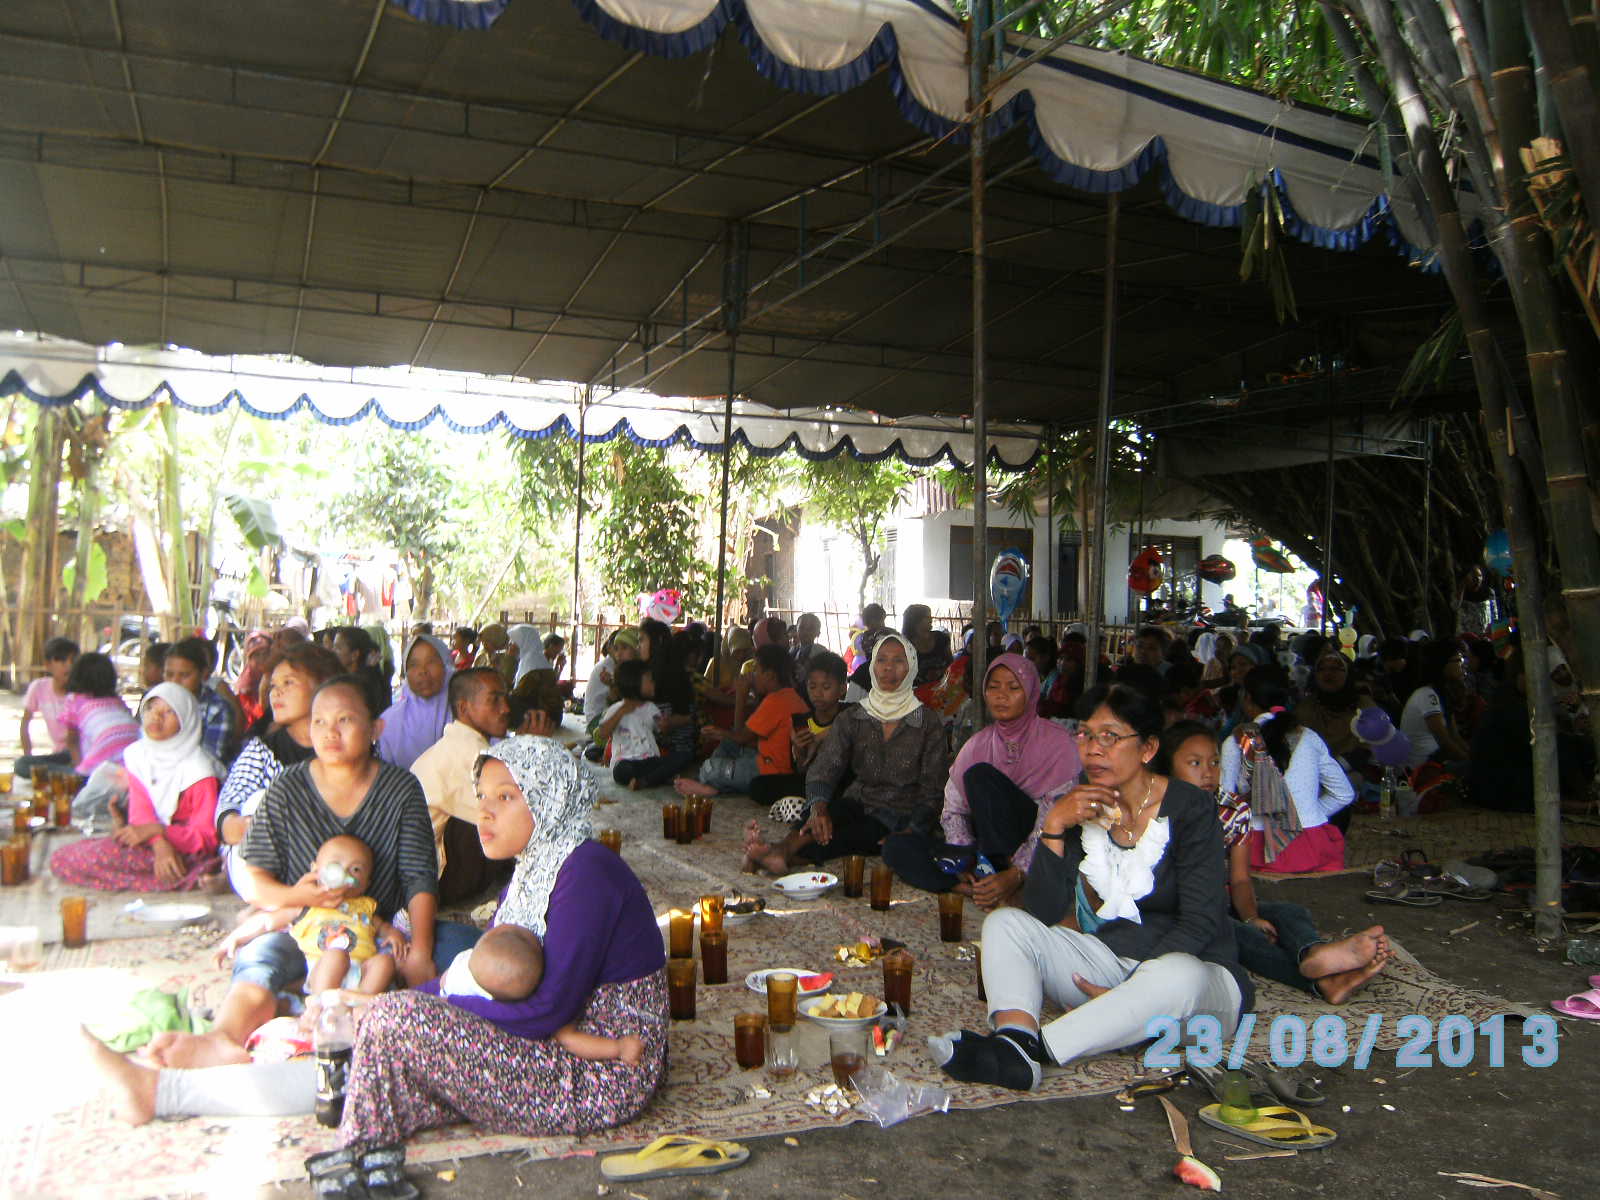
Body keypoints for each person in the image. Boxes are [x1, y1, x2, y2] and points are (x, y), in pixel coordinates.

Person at [90, 737, 668, 1146]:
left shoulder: (586, 873)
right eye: (483, 797)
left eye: (507, 798)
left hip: (595, 1072)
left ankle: (174, 1086)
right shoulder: (537, 866)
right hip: (554, 1044)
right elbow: (484, 970)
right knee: (371, 1059)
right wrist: (399, 1005)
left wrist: (405, 1006)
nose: (485, 814)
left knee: (392, 1026)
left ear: (547, 801)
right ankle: (162, 1092)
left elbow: (549, 1007)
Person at [932, 684, 1249, 1091]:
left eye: (1110, 737)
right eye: (1085, 734)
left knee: (1178, 975)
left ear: (1148, 749)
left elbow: (1202, 920)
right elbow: (1045, 911)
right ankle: (1015, 1035)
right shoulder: (1084, 803)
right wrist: (1054, 827)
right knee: (1005, 924)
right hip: (1111, 961)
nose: (1093, 749)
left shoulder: (1191, 808)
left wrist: (1133, 992)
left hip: (1199, 980)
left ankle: (1033, 1052)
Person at [144, 677, 448, 1070]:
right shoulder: (288, 787)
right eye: (319, 722)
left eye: (345, 720)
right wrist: (300, 899)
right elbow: (254, 878)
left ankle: (351, 1007)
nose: (330, 732)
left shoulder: (400, 788)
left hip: (378, 928)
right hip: (303, 928)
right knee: (258, 958)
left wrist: (420, 950)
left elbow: (419, 877)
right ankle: (223, 1037)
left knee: (458, 951)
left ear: (375, 727)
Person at [1158, 722, 1391, 1003]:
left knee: (1289, 913)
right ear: (1167, 768)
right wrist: (1239, 923)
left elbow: (1240, 879)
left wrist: (1251, 916)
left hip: (1220, 900)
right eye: (1195, 763)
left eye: (1215, 762)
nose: (1208, 772)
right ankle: (1322, 983)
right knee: (1238, 936)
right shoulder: (1158, 810)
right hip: (1179, 910)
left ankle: (1312, 952)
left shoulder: (1232, 810)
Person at [882, 654, 1082, 911]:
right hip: (984, 851)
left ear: (1031, 691)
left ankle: (1008, 882)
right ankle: (973, 886)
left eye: (1013, 687)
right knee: (896, 848)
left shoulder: (1058, 743)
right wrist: (964, 857)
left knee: (980, 777)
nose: (1001, 695)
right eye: (993, 687)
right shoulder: (978, 745)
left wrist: (1017, 871)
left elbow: (1053, 820)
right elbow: (953, 810)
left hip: (1037, 850)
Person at [742, 633, 946, 873]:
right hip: (858, 800)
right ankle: (782, 850)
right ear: (873, 667)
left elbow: (933, 789)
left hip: (899, 813)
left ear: (911, 668)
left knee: (852, 837)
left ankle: (780, 855)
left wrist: (914, 829)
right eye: (881, 660)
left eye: (898, 661)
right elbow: (824, 768)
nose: (888, 667)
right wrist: (818, 807)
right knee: (827, 814)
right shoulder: (854, 717)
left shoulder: (928, 723)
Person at [50, 684, 223, 892]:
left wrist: (160, 831)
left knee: (88, 860)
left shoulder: (199, 770)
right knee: (63, 857)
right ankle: (178, 878)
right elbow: (141, 814)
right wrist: (159, 842)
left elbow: (206, 838)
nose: (156, 717)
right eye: (151, 709)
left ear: (187, 721)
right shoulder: (139, 754)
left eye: (169, 712)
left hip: (189, 852)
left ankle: (191, 876)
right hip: (150, 842)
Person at [215, 643, 344, 897]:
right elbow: (227, 820)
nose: (276, 693)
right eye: (274, 686)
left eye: (289, 683)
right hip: (270, 865)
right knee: (262, 800)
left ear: (324, 686)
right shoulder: (263, 751)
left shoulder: (352, 747)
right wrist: (259, 825)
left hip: (336, 865)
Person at [216, 833, 405, 997]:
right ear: (315, 869)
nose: (344, 872)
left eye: (356, 869)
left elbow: (382, 927)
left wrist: (394, 935)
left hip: (362, 971)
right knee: (337, 955)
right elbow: (266, 921)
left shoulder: (365, 907)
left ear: (365, 883)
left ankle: (360, 1001)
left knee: (384, 962)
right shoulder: (306, 906)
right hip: (322, 971)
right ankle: (322, 1004)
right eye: (335, 865)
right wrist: (236, 937)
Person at [437, 925, 644, 1065]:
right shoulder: (521, 1004)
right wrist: (619, 1047)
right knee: (566, 1034)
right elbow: (571, 1040)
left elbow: (444, 981)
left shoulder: (463, 968)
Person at [1219, 668, 1355, 874]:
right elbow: (1344, 794)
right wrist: (1307, 813)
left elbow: (1226, 806)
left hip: (1255, 847)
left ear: (1246, 698)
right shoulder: (1308, 736)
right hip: (1312, 845)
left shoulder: (1235, 741)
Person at [410, 667, 515, 904]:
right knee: (503, 814)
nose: (506, 708)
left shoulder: (459, 744)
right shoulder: (472, 754)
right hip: (429, 882)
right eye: (494, 700)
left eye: (505, 698)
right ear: (464, 708)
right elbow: (513, 821)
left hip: (421, 871)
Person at [678, 645, 807, 797]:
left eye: (756, 670)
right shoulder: (790, 695)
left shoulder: (776, 700)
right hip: (768, 759)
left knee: (711, 766)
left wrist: (740, 696)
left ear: (770, 675)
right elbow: (749, 739)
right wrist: (724, 735)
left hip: (770, 770)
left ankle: (709, 784)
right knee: (727, 745)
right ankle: (710, 782)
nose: (752, 675)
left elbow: (740, 736)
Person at [749, 651, 850, 808]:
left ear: (842, 689)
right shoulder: (802, 721)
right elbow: (802, 770)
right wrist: (799, 749)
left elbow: (860, 722)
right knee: (758, 786)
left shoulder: (850, 713)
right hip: (813, 781)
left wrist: (820, 737)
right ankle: (815, 800)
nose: (818, 693)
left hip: (842, 781)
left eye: (826, 687)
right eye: (812, 686)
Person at [61, 651, 142, 825]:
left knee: (25, 765)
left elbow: (72, 741)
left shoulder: (74, 700)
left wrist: (78, 773)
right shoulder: (117, 701)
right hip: (134, 766)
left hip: (99, 768)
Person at [376, 634, 455, 771]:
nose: (422, 671)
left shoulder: (466, 714)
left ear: (446, 666)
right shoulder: (390, 722)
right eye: (413, 664)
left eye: (431, 662)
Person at [1399, 640, 1473, 776]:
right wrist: (1471, 762)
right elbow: (1444, 741)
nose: (1463, 666)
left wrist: (1473, 756)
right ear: (1442, 664)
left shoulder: (1442, 694)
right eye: (1459, 660)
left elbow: (1455, 736)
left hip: (1440, 759)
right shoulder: (1426, 694)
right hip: (1425, 767)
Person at [164, 637, 239, 764]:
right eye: (169, 674)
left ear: (203, 673)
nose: (175, 682)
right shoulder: (156, 702)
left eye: (184, 675)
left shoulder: (217, 709)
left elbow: (209, 760)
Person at [16, 635, 78, 777]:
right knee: (22, 764)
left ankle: (75, 775)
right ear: (48, 665)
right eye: (61, 660)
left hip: (80, 754)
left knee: (73, 769)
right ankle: (70, 775)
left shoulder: (80, 692)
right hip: (59, 757)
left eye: (72, 661)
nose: (68, 665)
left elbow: (76, 740)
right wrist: (28, 756)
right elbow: (25, 723)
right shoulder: (39, 687)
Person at [583, 628, 640, 739]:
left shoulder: (633, 671)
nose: (618, 653)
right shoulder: (608, 668)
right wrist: (612, 685)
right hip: (598, 718)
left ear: (636, 649)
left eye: (624, 648)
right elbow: (617, 702)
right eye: (616, 648)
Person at [333, 626, 393, 722]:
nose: (333, 652)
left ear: (354, 655)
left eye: (338, 648)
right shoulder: (355, 678)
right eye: (333, 647)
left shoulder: (360, 685)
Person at [508, 625, 563, 728]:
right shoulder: (535, 657)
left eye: (514, 641)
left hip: (545, 717)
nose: (510, 645)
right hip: (552, 715)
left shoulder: (531, 661)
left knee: (507, 701)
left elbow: (520, 694)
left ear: (523, 642)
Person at [902, 604, 953, 696]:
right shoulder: (904, 645)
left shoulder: (941, 638)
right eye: (927, 617)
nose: (931, 619)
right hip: (916, 695)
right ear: (916, 620)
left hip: (943, 692)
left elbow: (951, 664)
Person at [231, 632, 273, 729]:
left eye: (266, 653)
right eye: (256, 655)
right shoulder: (245, 688)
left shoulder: (279, 678)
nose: (261, 659)